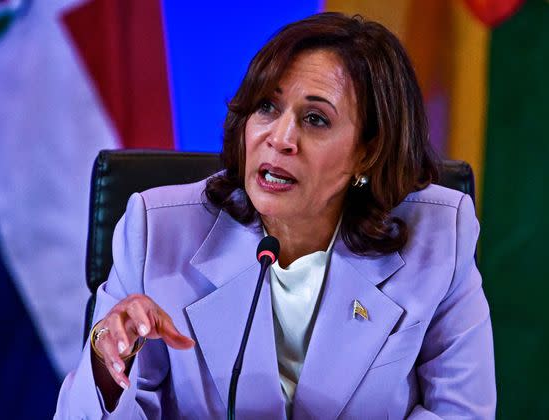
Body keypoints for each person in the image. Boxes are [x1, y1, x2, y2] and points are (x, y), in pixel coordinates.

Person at [55, 12, 496, 419]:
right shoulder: (158, 231)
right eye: (267, 106)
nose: (280, 138)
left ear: (368, 151)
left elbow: (462, 413)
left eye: (316, 119)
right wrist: (104, 362)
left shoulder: (438, 237)